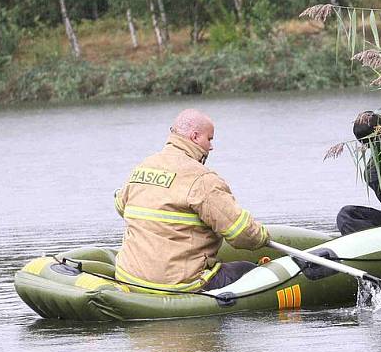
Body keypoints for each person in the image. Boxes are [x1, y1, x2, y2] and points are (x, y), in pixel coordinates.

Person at [113, 108, 269, 292]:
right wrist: (263, 237)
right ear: (195, 137)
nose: (211, 146)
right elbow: (241, 233)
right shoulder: (202, 179)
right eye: (209, 139)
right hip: (179, 283)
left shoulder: (143, 167)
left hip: (129, 277)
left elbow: (120, 205)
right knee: (249, 271)